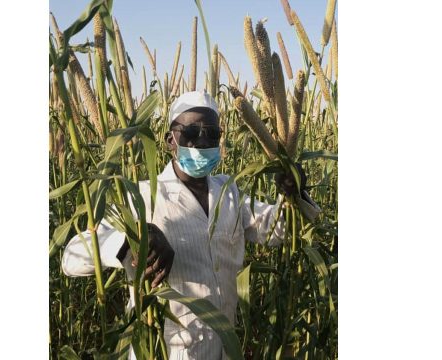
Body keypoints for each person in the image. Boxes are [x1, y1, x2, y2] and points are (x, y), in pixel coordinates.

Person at [61, 91, 321, 359]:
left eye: (211, 133)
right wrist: (134, 236)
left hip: (225, 346)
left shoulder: (229, 191)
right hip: (165, 351)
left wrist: (293, 194)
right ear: (169, 140)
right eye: (190, 132)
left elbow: (278, 229)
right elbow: (71, 259)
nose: (201, 140)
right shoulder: (141, 196)